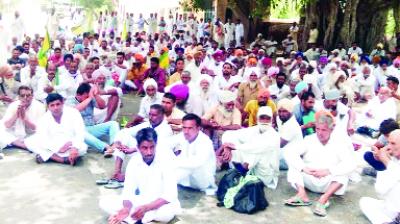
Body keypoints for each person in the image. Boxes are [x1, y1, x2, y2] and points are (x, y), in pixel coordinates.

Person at [99, 128, 180, 224]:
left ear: (156, 145)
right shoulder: (134, 162)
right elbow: (128, 192)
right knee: (104, 202)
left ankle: (131, 219)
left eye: (152, 147)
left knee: (165, 214)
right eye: (145, 148)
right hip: (142, 201)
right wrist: (126, 209)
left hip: (162, 204)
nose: (149, 152)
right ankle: (137, 218)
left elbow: (170, 195)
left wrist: (146, 208)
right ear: (138, 147)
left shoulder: (165, 160)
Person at [284, 110, 355, 217]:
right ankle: (302, 194)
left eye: (324, 130)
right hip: (309, 178)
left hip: (329, 183)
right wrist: (304, 168)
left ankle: (323, 200)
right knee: (294, 166)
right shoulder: (309, 139)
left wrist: (328, 171)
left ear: (331, 129)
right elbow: (290, 152)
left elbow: (351, 163)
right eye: (317, 129)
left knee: (344, 174)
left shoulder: (339, 143)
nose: (320, 133)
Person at [103, 104, 173, 188]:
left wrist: (134, 149)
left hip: (157, 158)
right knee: (125, 136)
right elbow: (126, 131)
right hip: (142, 152)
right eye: (149, 114)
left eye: (154, 115)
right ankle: (117, 173)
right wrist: (118, 142)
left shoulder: (166, 129)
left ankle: (129, 178)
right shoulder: (147, 124)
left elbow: (157, 148)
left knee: (148, 152)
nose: (150, 117)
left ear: (162, 115)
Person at [218, 106, 281, 189]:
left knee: (255, 151)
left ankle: (240, 173)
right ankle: (239, 171)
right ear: (257, 118)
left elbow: (257, 146)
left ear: (271, 120)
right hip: (251, 170)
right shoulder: (254, 129)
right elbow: (229, 133)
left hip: (265, 174)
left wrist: (235, 147)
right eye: (262, 118)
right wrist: (227, 147)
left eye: (267, 118)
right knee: (236, 141)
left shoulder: (274, 136)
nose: (265, 121)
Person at [25, 93, 87, 166]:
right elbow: (42, 137)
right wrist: (58, 149)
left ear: (62, 103)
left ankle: (47, 156)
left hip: (70, 144)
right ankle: (61, 159)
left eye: (58, 104)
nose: (56, 108)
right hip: (53, 144)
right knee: (29, 142)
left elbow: (80, 132)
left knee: (83, 148)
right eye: (52, 105)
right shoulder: (44, 118)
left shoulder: (73, 113)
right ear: (48, 107)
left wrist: (75, 147)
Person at [67, 83, 119, 156]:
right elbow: (75, 110)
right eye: (86, 96)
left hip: (91, 128)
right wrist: (89, 98)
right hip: (78, 130)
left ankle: (115, 145)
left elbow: (102, 106)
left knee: (113, 124)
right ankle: (106, 148)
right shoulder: (70, 100)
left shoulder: (90, 97)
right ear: (78, 95)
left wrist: (96, 95)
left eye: (89, 95)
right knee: (81, 133)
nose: (88, 97)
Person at [359, 129, 400, 224]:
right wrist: (382, 164)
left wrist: (386, 161)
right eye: (389, 143)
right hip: (395, 210)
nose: (389, 147)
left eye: (393, 143)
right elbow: (380, 190)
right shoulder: (393, 160)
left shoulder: (391, 162)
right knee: (365, 202)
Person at [170, 113, 217, 193]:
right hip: (186, 178)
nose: (186, 131)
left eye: (190, 128)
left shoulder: (205, 141)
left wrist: (173, 162)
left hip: (203, 180)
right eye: (184, 127)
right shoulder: (183, 135)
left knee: (187, 166)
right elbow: (166, 144)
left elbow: (196, 163)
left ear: (198, 128)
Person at [0, 86, 45, 151]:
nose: (25, 98)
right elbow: (6, 125)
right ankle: (24, 145)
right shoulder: (13, 105)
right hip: (14, 135)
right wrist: (17, 114)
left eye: (28, 95)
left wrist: (25, 119)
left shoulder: (40, 106)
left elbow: (39, 128)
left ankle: (17, 144)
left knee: (43, 137)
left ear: (32, 96)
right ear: (19, 97)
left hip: (31, 135)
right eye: (22, 95)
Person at [276, 99, 303, 170]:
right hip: (282, 154)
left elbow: (279, 144)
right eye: (279, 111)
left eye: (285, 111)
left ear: (291, 111)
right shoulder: (279, 119)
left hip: (289, 160)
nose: (281, 114)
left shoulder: (292, 125)